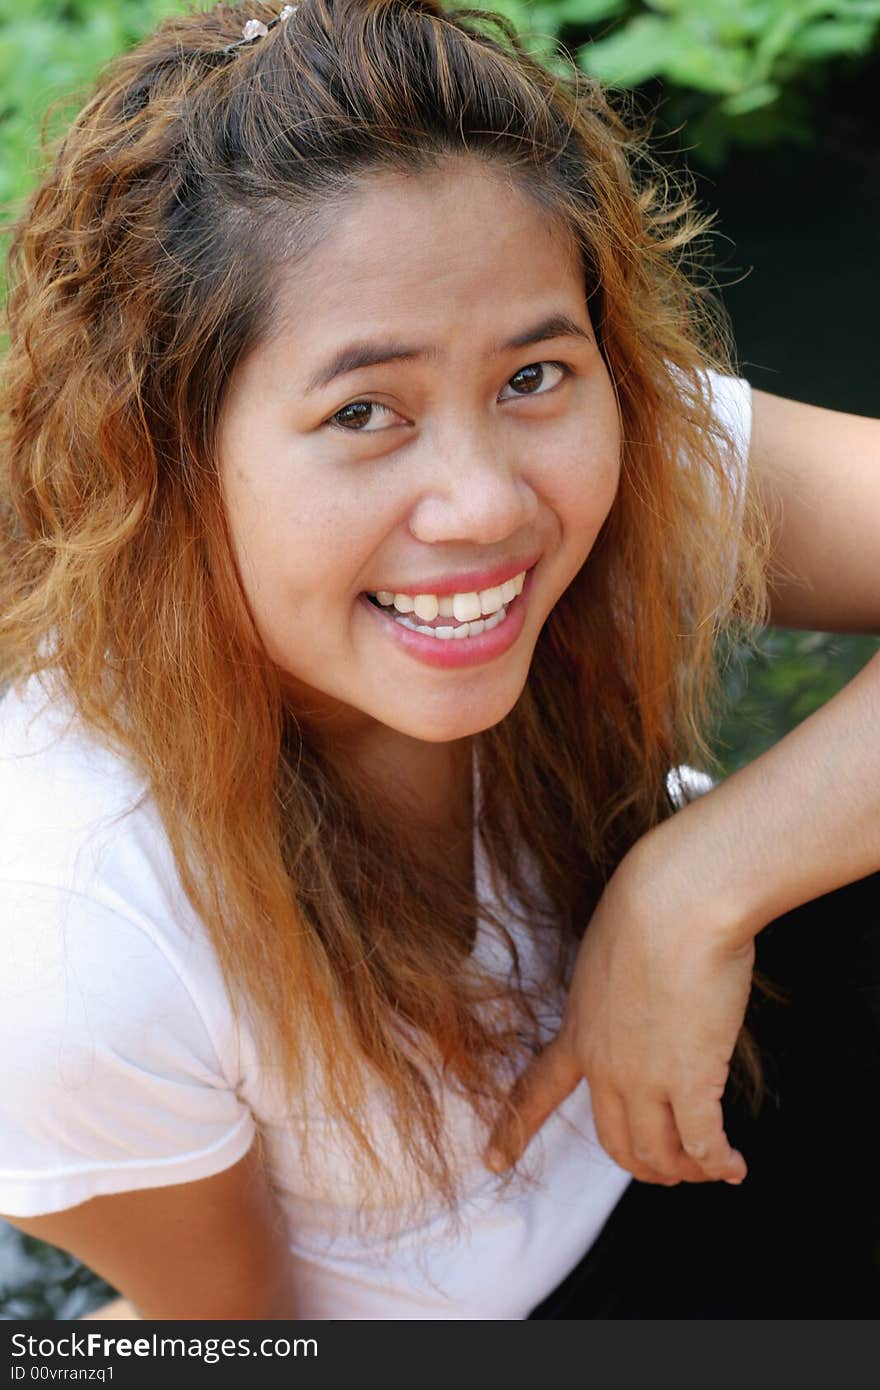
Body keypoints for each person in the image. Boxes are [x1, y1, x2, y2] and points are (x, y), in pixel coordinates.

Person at [0, 0, 878, 1321]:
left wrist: (695, 881)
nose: (485, 503)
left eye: (535, 375)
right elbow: (240, 1336)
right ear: (163, 452)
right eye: (363, 411)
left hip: (724, 1053)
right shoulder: (70, 912)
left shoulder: (627, 455)